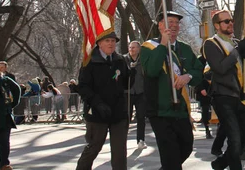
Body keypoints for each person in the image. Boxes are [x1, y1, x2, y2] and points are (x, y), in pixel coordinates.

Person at [140, 10, 204, 170]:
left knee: (187, 146)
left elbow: (198, 72)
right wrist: (163, 45)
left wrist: (187, 76)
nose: (174, 26)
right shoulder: (149, 47)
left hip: (180, 109)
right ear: (160, 25)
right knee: (170, 155)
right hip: (160, 110)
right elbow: (151, 71)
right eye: (170, 22)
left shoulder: (185, 49)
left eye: (176, 23)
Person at [202, 10, 245, 170]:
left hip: (240, 97)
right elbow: (220, 68)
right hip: (223, 96)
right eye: (226, 21)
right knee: (234, 139)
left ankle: (220, 163)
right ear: (217, 25)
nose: (230, 23)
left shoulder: (235, 42)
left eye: (231, 20)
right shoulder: (210, 44)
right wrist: (237, 52)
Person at [76, 31, 132, 170]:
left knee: (119, 151)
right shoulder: (89, 61)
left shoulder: (120, 60)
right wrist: (97, 103)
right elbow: (83, 87)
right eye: (107, 41)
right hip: (97, 112)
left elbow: (125, 85)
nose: (111, 44)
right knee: (94, 146)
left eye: (113, 41)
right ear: (99, 43)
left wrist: (132, 76)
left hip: (118, 112)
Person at [0, 59, 21, 170]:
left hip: (4, 115)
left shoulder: (5, 80)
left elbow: (17, 89)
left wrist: (11, 105)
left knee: (4, 142)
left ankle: (4, 164)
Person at [124, 40, 147, 149]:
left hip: (140, 92)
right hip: (127, 93)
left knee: (141, 117)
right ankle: (122, 139)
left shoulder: (143, 60)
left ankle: (141, 140)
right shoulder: (124, 60)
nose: (131, 49)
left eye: (134, 47)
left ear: (139, 49)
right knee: (126, 117)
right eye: (130, 47)